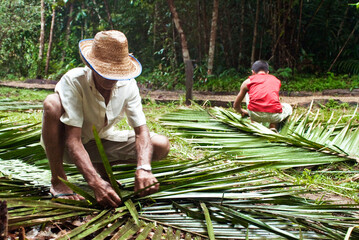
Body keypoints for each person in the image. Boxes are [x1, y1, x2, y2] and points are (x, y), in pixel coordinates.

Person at [41, 30, 170, 207]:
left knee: (160, 145)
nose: (111, 78)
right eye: (105, 71)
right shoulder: (74, 80)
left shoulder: (128, 84)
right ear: (92, 64)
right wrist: (95, 183)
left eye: (116, 72)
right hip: (66, 147)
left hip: (100, 143)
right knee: (52, 103)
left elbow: (141, 131)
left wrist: (143, 168)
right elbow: (73, 140)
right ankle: (58, 179)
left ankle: (102, 169)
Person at [233, 60, 292, 130]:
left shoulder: (248, 82)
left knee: (248, 92)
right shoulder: (275, 80)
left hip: (254, 114)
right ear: (267, 72)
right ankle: (273, 126)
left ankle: (254, 122)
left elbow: (236, 106)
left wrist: (242, 111)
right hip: (275, 115)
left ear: (253, 72)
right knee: (288, 107)